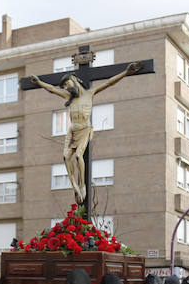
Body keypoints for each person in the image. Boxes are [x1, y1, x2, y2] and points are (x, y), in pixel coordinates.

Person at [29, 61, 142, 203]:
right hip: (72, 130)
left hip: (84, 128)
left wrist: (126, 72)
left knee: (78, 156)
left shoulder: (89, 94)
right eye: (64, 87)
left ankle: (82, 186)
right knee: (65, 156)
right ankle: (74, 186)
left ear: (74, 80)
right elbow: (51, 89)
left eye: (67, 84)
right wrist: (39, 82)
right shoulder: (68, 97)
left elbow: (109, 83)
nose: (66, 88)